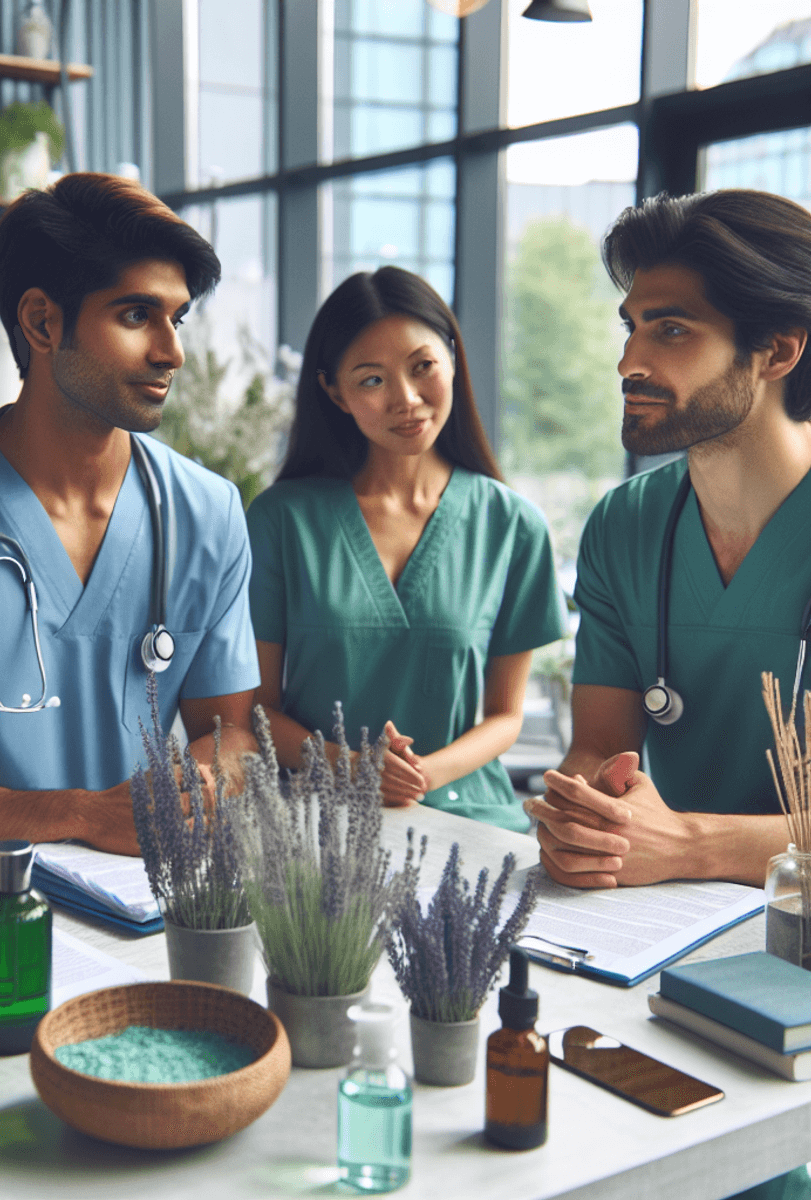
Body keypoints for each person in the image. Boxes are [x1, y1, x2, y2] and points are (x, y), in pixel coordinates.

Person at [0, 173, 259, 857]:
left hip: (145, 890)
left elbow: (233, 735)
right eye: (136, 316)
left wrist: (200, 783)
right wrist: (83, 814)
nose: (171, 352)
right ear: (42, 322)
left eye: (177, 319)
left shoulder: (208, 513)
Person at [525, 189, 811, 900]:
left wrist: (688, 843)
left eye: (672, 330)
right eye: (631, 327)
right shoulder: (624, 526)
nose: (628, 361)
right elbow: (599, 748)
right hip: (666, 915)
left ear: (778, 350)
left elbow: (677, 842)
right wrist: (586, 817)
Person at [246, 267, 566, 831]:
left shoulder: (513, 526)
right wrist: (355, 768)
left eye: (423, 367)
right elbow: (257, 710)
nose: (407, 400)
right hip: (314, 820)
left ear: (452, 358)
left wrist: (424, 774)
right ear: (335, 393)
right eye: (372, 380)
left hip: (470, 817)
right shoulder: (280, 520)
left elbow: (505, 716)